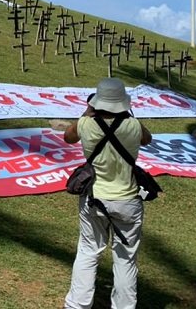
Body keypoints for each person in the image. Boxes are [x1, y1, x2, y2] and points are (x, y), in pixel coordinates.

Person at [63, 78, 153, 309]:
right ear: (123, 103)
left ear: (97, 102)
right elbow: (147, 138)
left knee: (87, 252)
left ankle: (77, 305)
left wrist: (88, 110)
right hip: (128, 200)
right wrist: (128, 113)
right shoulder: (133, 126)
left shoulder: (85, 123)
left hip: (94, 199)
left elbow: (68, 136)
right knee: (125, 259)